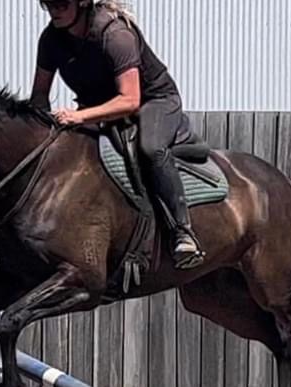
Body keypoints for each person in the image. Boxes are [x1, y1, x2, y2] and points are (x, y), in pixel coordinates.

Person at [30, 0, 204, 269]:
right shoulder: (51, 39)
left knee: (151, 148)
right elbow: (39, 96)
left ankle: (183, 232)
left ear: (82, 4)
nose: (55, 10)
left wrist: (79, 116)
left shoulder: (115, 34)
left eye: (62, 3)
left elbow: (130, 100)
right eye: (48, 4)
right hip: (100, 108)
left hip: (153, 102)